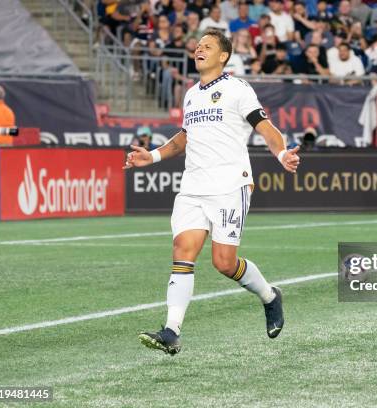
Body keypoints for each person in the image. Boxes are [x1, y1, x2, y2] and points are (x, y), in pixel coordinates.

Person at [125, 29, 300, 355]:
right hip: (193, 187)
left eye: (207, 46)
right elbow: (184, 137)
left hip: (230, 186)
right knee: (183, 252)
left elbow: (266, 128)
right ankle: (171, 331)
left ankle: (270, 296)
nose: (198, 49)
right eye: (197, 45)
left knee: (224, 262)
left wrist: (281, 154)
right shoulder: (190, 94)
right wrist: (152, 156)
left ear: (223, 56)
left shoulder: (237, 89)